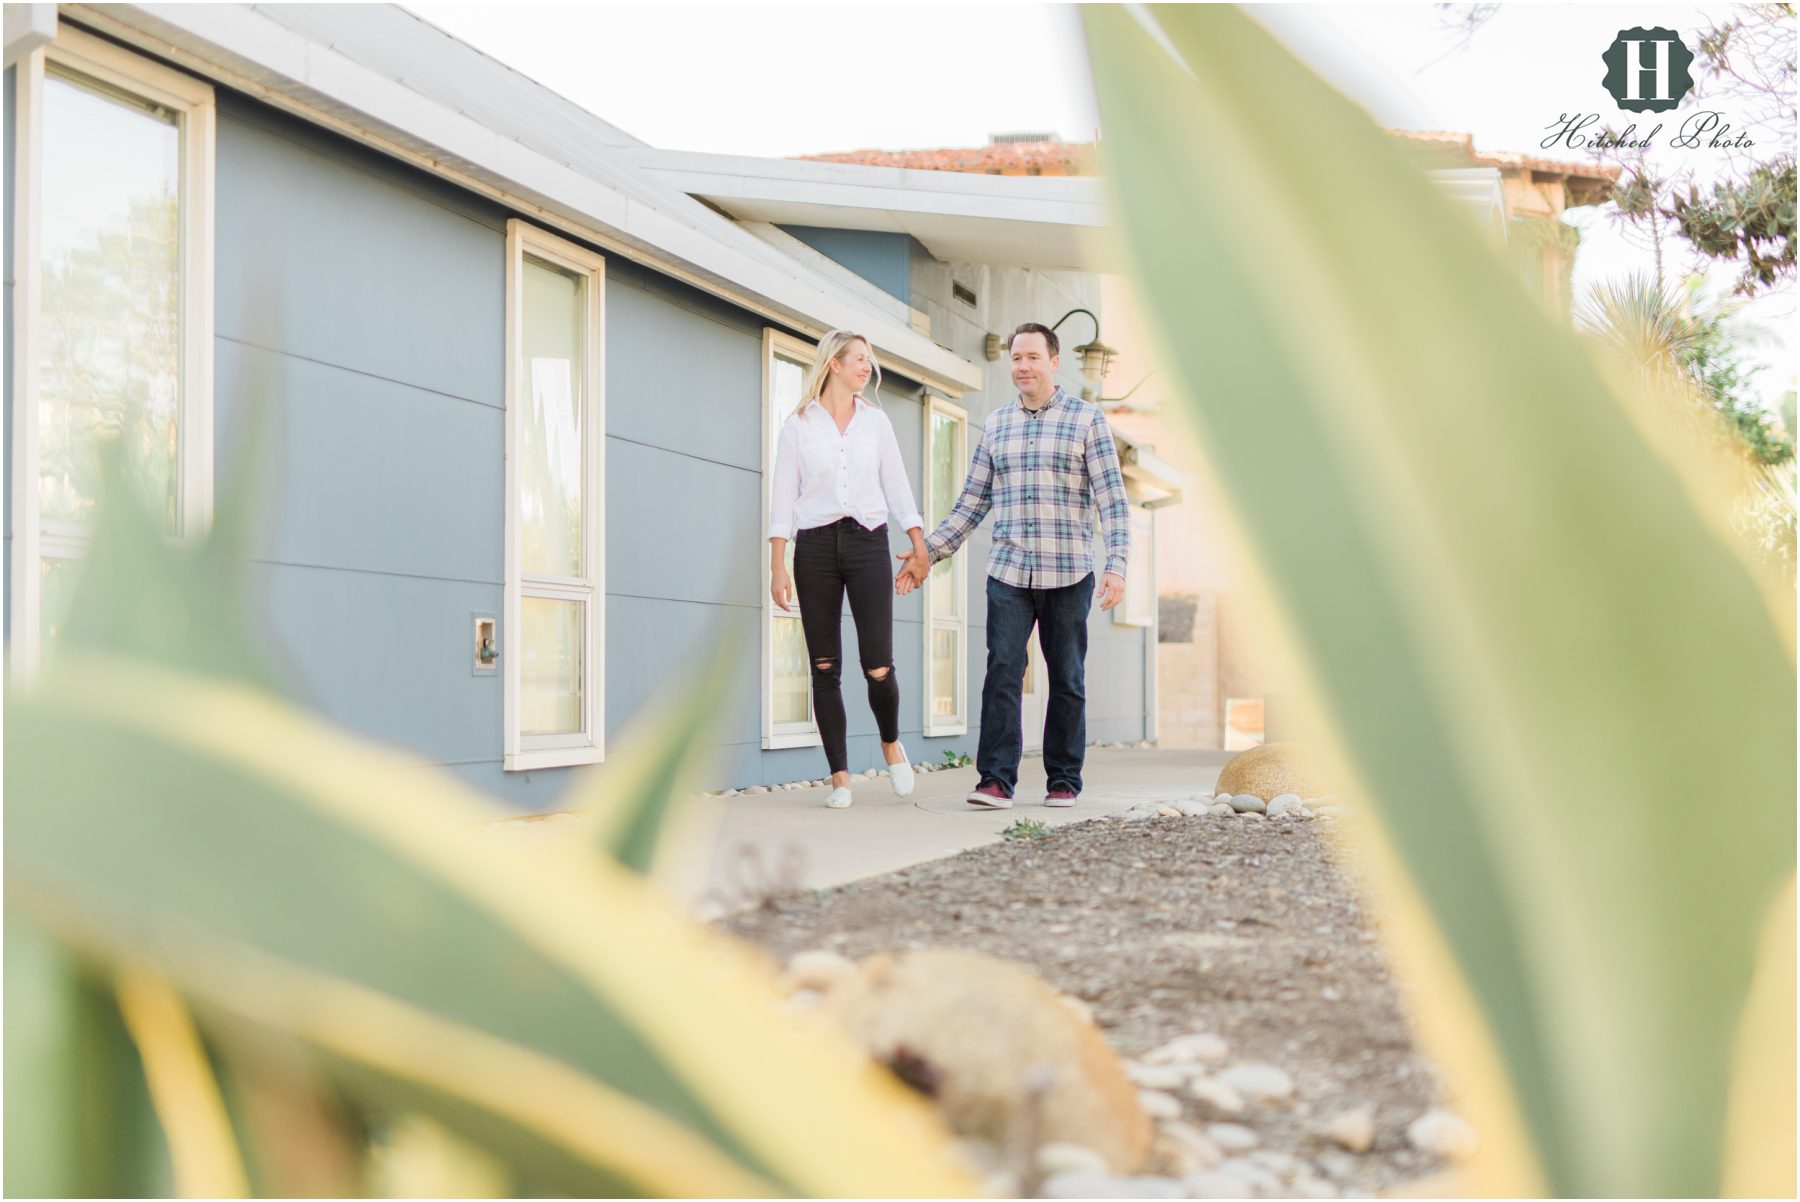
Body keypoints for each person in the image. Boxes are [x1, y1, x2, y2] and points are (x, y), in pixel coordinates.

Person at [896, 322, 1130, 809]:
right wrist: (928, 553)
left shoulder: (1087, 421)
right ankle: (996, 781)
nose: (1022, 366)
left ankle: (1063, 778)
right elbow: (971, 504)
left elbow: (1113, 502)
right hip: (1008, 571)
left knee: (1067, 677)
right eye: (1016, 357)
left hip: (1068, 572)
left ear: (1053, 361)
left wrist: (1118, 564)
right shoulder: (997, 424)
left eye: (1032, 357)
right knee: (1002, 669)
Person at [769, 330, 928, 809]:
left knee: (878, 664)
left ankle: (890, 743)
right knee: (824, 666)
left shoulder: (876, 423)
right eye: (859, 359)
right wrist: (778, 565)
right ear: (833, 364)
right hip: (814, 548)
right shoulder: (798, 426)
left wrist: (918, 544)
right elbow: (781, 502)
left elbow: (898, 487)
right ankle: (840, 777)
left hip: (868, 543)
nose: (867, 366)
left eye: (869, 359)